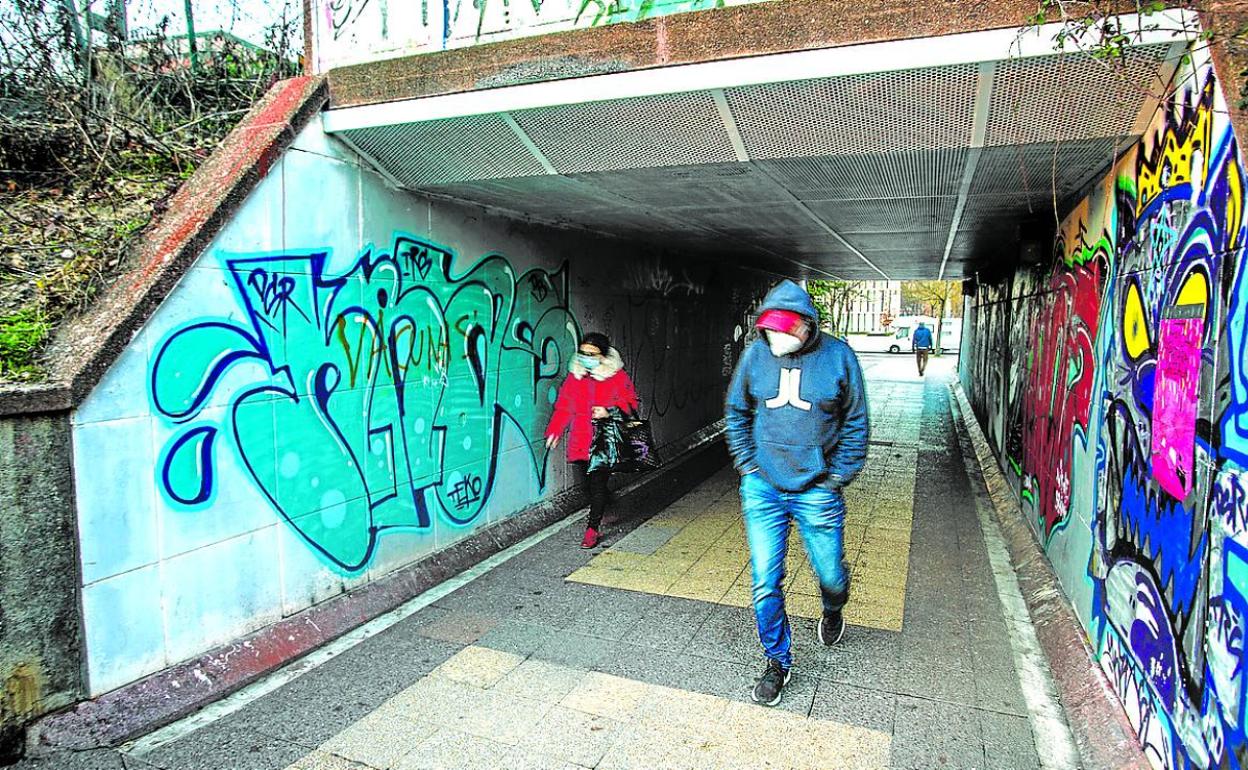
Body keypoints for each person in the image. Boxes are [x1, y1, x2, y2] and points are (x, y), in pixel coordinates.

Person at [725, 280, 869, 707]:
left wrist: (835, 477)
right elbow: (736, 412)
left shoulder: (839, 357)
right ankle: (777, 661)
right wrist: (749, 465)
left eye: (786, 330)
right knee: (764, 580)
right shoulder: (755, 356)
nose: (777, 339)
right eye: (770, 330)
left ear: (808, 326)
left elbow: (856, 423)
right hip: (763, 488)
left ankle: (833, 605)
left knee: (830, 574)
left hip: (816, 490)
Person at [545, 332, 639, 549]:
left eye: (592, 354)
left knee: (596, 484)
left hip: (604, 441)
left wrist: (609, 411)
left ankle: (592, 529)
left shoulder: (617, 376)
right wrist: (555, 431)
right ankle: (609, 503)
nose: (586, 357)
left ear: (603, 356)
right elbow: (564, 407)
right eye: (583, 353)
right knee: (587, 486)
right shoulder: (575, 376)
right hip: (580, 440)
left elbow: (631, 403)